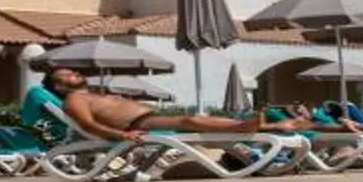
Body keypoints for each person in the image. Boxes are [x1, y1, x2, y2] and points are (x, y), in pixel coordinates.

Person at [37, 66, 306, 143]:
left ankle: (259, 126)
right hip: (139, 125)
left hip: (148, 117)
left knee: (194, 121)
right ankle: (247, 127)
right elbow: (87, 124)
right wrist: (124, 135)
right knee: (191, 122)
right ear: (59, 87)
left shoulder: (91, 92)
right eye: (67, 76)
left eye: (73, 72)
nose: (74, 74)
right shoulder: (74, 99)